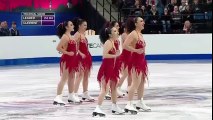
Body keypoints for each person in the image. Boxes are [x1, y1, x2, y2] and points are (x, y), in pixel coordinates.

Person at [92, 26, 124, 117]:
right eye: (115, 31)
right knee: (105, 90)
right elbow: (104, 56)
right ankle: (97, 108)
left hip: (112, 69)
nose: (117, 32)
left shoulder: (114, 42)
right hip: (106, 69)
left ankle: (114, 106)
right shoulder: (108, 42)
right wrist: (115, 56)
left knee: (113, 88)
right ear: (110, 34)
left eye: (117, 31)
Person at [123, 17, 151, 114]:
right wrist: (135, 51)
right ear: (136, 24)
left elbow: (142, 48)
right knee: (135, 82)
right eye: (141, 21)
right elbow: (125, 45)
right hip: (135, 61)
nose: (143, 22)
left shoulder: (140, 34)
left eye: (143, 20)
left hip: (142, 61)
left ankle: (140, 102)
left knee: (142, 82)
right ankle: (129, 103)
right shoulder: (133, 33)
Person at [53, 20, 81, 105]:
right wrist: (68, 53)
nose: (73, 26)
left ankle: (71, 96)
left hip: (73, 59)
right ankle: (58, 97)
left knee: (72, 78)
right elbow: (58, 48)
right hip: (66, 59)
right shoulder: (65, 36)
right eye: (71, 25)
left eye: (72, 24)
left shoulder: (71, 36)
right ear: (66, 27)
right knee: (64, 78)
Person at [73, 18, 94, 102]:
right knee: (79, 75)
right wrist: (80, 53)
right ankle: (74, 94)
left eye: (86, 25)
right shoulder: (77, 35)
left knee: (86, 76)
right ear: (79, 26)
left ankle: (85, 93)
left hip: (87, 57)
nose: (86, 27)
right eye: (84, 25)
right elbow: (74, 47)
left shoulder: (83, 35)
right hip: (80, 58)